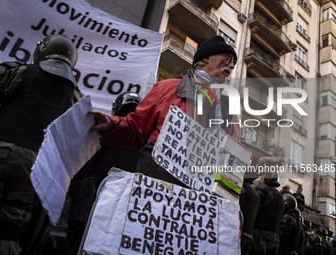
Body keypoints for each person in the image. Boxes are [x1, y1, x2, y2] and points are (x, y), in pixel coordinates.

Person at [89, 35, 281, 183]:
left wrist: (258, 164)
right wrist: (109, 123)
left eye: (233, 62)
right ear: (207, 58)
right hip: (156, 183)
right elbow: (135, 129)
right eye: (227, 58)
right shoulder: (166, 88)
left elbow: (232, 160)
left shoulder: (229, 109)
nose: (231, 65)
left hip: (200, 199)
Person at [0, 34, 82, 255]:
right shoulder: (75, 96)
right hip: (34, 167)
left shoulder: (20, 71)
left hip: (0, 150)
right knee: (10, 230)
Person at [66, 91, 142, 255]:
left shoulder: (104, 133)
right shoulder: (143, 143)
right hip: (115, 207)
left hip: (94, 201)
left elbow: (82, 161)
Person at [251, 173, 284, 255]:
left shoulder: (263, 189)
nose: (258, 180)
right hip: (273, 239)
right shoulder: (280, 197)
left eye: (261, 178)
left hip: (259, 236)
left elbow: (253, 210)